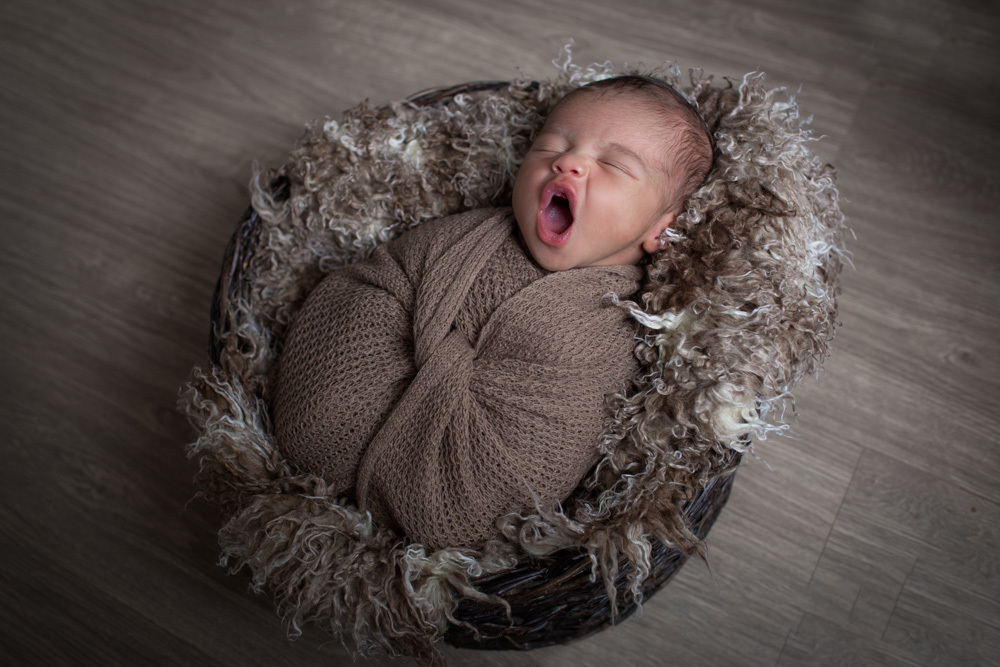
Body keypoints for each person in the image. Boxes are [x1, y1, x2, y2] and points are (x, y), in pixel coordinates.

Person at [270, 75, 714, 550]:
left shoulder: (620, 326)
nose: (569, 161)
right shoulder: (468, 234)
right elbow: (372, 283)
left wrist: (438, 353)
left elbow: (558, 433)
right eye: (550, 147)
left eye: (612, 164)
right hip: (341, 407)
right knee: (313, 419)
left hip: (457, 483)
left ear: (660, 231)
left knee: (458, 520)